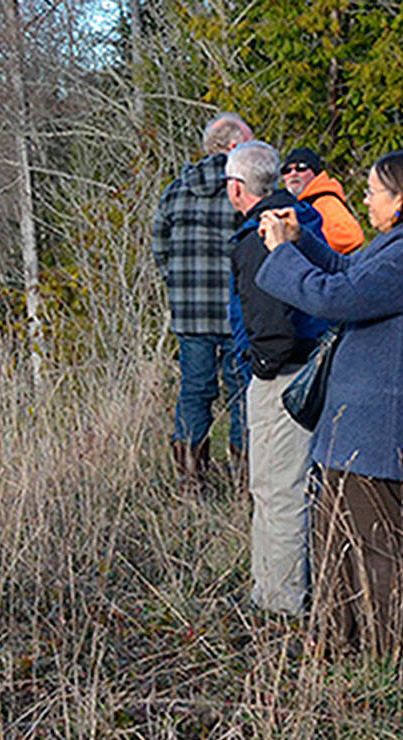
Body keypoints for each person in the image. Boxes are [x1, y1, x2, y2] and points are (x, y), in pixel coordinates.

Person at [256, 150, 403, 669]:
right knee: (333, 541)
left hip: (379, 429)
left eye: (374, 191)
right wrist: (302, 238)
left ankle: (395, 664)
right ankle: (334, 644)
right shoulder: (402, 244)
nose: (366, 200)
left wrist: (283, 254)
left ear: (399, 199)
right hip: (354, 421)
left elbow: (338, 296)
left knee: (379, 551)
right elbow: (348, 268)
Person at [224, 141, 329, 614]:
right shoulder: (300, 221)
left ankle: (283, 602)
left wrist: (261, 369)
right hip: (306, 369)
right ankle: (267, 592)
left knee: (279, 492)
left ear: (235, 188)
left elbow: (270, 321)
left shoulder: (259, 237)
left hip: (282, 378)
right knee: (281, 488)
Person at [152, 112, 254, 491]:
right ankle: (245, 481)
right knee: (242, 392)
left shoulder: (176, 189)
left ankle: (190, 482)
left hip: (190, 312)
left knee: (195, 391)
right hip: (236, 311)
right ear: (233, 147)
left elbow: (158, 246)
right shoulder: (243, 190)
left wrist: (177, 285)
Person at [280, 147, 365, 254]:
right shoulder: (298, 203)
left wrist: (308, 244)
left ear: (315, 172)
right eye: (286, 170)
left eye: (301, 168)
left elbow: (352, 236)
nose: (293, 174)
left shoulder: (325, 201)